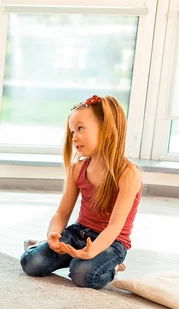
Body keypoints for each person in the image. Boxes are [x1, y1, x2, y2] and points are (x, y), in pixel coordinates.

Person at [20, 95, 142, 289]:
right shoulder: (77, 169)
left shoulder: (128, 174)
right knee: (31, 263)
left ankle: (112, 266)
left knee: (82, 274)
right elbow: (62, 213)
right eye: (72, 131)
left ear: (106, 128)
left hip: (112, 241)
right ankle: (52, 249)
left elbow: (115, 226)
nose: (74, 137)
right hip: (79, 232)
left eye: (80, 128)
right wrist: (53, 235)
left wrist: (92, 252)